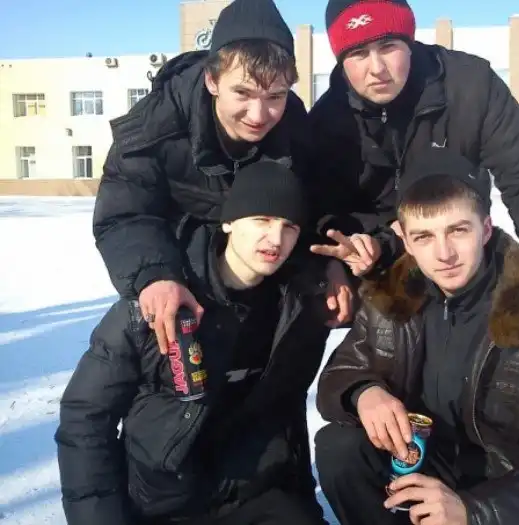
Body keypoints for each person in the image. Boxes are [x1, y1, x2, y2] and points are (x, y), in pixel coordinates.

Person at [314, 148, 519, 525]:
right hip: (432, 464)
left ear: (486, 229)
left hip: (512, 497)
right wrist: (364, 392)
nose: (444, 253)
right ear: (407, 244)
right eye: (424, 237)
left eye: (458, 230)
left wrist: (474, 511)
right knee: (340, 448)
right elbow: (340, 373)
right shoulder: (390, 297)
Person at [56, 161, 330, 525]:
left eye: (289, 226)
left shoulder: (294, 310)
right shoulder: (156, 302)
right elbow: (86, 418)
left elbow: (288, 410)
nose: (276, 239)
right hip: (164, 502)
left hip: (255, 492)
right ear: (229, 222)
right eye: (262, 220)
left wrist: (302, 505)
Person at [93, 0, 353, 358]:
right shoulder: (154, 128)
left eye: (275, 96)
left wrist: (328, 263)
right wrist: (156, 275)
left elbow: (312, 208)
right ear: (212, 80)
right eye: (242, 93)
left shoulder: (297, 131)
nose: (259, 115)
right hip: (180, 294)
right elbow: (125, 214)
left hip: (262, 303)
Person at [308, 0, 519, 325]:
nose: (377, 68)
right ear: (342, 61)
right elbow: (320, 204)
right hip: (381, 253)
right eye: (358, 54)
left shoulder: (471, 86)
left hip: (462, 244)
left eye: (388, 47)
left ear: (410, 42)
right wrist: (330, 264)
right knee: (315, 304)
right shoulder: (328, 119)